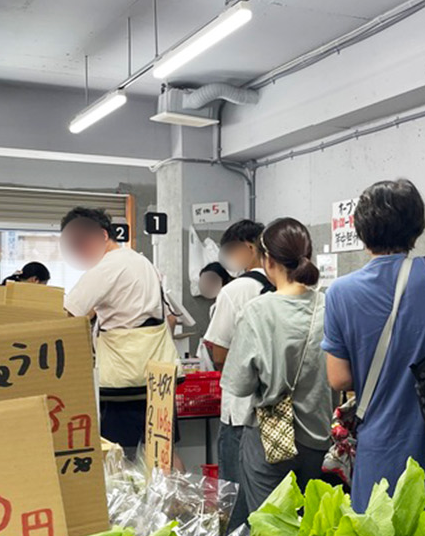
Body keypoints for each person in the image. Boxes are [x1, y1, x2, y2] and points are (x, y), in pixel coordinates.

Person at [323, 179, 425, 510]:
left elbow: (338, 378)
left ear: (362, 231)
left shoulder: (340, 292)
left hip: (380, 446)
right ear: (417, 226)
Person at [221, 218, 334, 514]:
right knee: (310, 524)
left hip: (268, 436)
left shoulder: (257, 312)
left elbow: (239, 384)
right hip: (318, 434)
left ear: (267, 260)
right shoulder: (329, 306)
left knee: (272, 528)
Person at [61, 207, 177, 451]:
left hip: (124, 381)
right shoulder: (140, 261)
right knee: (162, 452)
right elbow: (170, 318)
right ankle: (173, 490)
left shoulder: (107, 267)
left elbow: (68, 315)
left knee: (117, 455)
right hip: (158, 376)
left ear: (103, 236)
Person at [204, 218, 271, 499]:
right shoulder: (289, 285)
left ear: (248, 248)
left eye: (230, 252)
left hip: (241, 410)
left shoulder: (235, 290)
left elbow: (218, 351)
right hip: (279, 410)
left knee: (236, 495)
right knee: (269, 494)